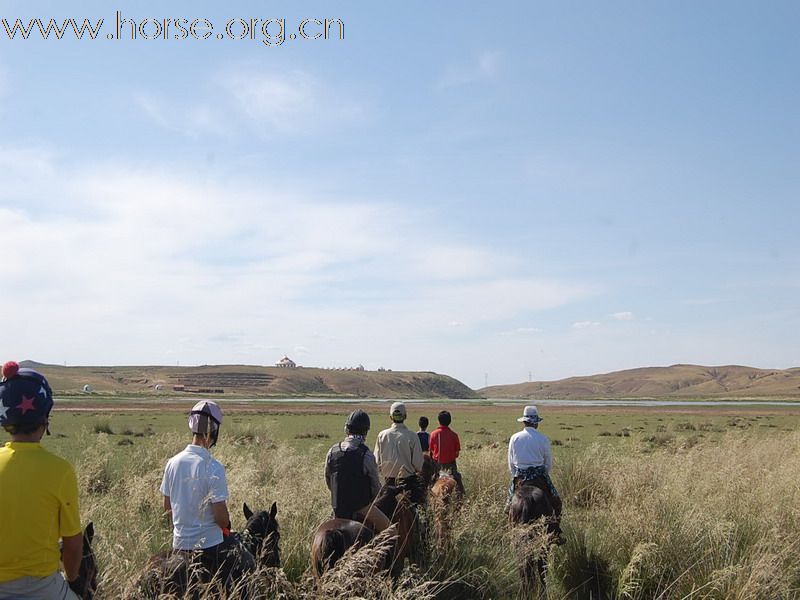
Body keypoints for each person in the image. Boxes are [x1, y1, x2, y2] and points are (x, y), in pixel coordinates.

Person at [0, 361, 83, 600]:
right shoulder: (60, 471)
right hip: (41, 587)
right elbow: (73, 543)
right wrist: (73, 580)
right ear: (44, 417)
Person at [161, 400, 253, 594]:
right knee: (247, 567)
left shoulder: (172, 463)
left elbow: (168, 509)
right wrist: (227, 525)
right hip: (210, 548)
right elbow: (221, 519)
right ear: (214, 431)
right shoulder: (213, 467)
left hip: (179, 545)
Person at [325, 409, 390, 532]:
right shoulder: (367, 455)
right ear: (366, 431)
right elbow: (375, 486)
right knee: (391, 531)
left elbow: (328, 479)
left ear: (347, 429)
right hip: (362, 507)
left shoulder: (332, 451)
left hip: (337, 507)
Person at [507, 405, 563, 541]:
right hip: (539, 475)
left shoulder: (514, 438)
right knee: (557, 502)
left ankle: (509, 528)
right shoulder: (543, 439)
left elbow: (510, 463)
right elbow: (548, 463)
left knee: (509, 504)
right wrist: (543, 474)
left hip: (520, 476)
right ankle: (555, 533)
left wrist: (516, 475)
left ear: (524, 421)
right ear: (536, 422)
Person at [374, 402, 425, 502]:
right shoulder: (412, 436)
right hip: (408, 485)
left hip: (388, 485)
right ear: (405, 416)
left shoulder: (382, 435)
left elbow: (376, 463)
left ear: (390, 417)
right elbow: (418, 465)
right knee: (422, 508)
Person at [429, 410, 465, 496]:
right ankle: (462, 497)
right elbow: (457, 454)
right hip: (451, 466)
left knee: (430, 482)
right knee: (458, 480)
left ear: (439, 421)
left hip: (437, 465)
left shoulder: (433, 434)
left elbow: (431, 451)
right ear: (450, 421)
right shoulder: (454, 435)